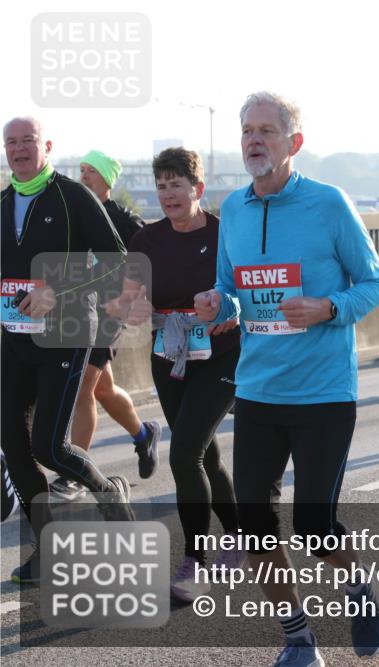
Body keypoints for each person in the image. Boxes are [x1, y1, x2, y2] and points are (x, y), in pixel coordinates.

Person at [193, 92, 379, 664]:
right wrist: (217, 302)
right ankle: (298, 639)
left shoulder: (329, 203)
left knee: (314, 529)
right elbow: (230, 288)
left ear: (293, 142)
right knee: (254, 528)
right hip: (257, 390)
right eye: (247, 131)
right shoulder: (233, 208)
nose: (254, 140)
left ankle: (358, 586)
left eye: (267, 131)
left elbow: (375, 283)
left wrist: (328, 307)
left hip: (323, 393)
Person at [103, 147, 244, 601]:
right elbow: (122, 300)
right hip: (169, 358)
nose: (168, 194)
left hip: (222, 355)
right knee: (205, 454)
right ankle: (241, 535)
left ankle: (194, 563)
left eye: (176, 185)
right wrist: (129, 309)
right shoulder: (147, 240)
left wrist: (229, 310)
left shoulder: (225, 234)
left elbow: (248, 290)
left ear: (197, 188)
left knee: (184, 455)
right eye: (161, 186)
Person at [2, 117, 134, 584]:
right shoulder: (3, 203)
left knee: (50, 447)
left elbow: (117, 262)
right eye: (11, 142)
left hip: (68, 331)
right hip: (14, 339)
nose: (19, 149)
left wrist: (56, 289)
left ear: (47, 146)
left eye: (28, 141)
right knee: (14, 445)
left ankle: (108, 493)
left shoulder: (71, 196)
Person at [46, 150, 161, 504]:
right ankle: (144, 434)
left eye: (91, 171)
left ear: (107, 178)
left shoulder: (124, 219)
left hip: (109, 316)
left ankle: (74, 473)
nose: (84, 176)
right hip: (78, 312)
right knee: (102, 389)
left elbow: (150, 260)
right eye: (81, 170)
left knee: (83, 387)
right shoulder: (73, 212)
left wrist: (132, 299)